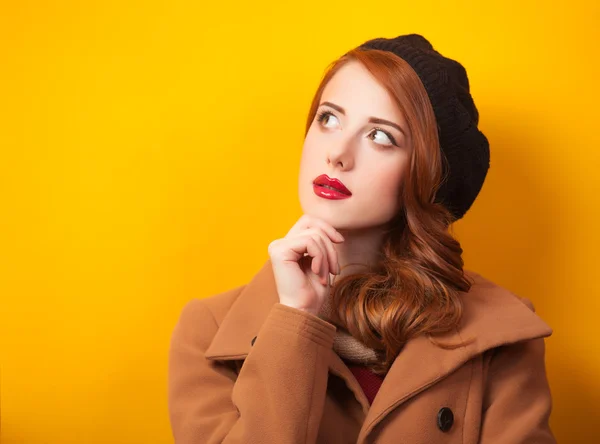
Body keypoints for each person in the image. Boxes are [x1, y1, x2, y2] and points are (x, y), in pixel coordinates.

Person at [167, 34, 555, 443]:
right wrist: (296, 320)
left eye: (381, 136)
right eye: (329, 118)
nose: (337, 153)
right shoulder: (208, 333)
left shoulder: (497, 335)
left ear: (426, 176)